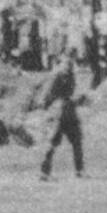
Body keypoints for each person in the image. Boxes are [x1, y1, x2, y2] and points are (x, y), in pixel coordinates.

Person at [40, 52, 85, 181]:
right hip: (59, 113)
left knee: (77, 141)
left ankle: (79, 170)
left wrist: (77, 100)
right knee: (52, 143)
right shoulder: (56, 77)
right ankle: (44, 173)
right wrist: (51, 109)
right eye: (66, 63)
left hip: (69, 112)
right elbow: (47, 97)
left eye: (70, 63)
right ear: (60, 64)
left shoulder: (71, 76)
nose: (68, 66)